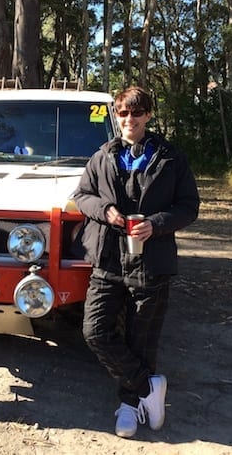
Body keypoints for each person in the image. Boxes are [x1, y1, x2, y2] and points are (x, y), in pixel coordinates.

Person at [72, 86, 199, 438]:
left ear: (148, 116)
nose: (130, 119)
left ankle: (130, 405)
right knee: (95, 332)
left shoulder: (170, 158)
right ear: (116, 115)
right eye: (123, 113)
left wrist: (156, 224)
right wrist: (105, 210)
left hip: (152, 263)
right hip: (108, 261)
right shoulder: (103, 155)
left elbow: (189, 206)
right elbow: (82, 196)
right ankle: (148, 388)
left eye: (137, 113)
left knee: (142, 342)